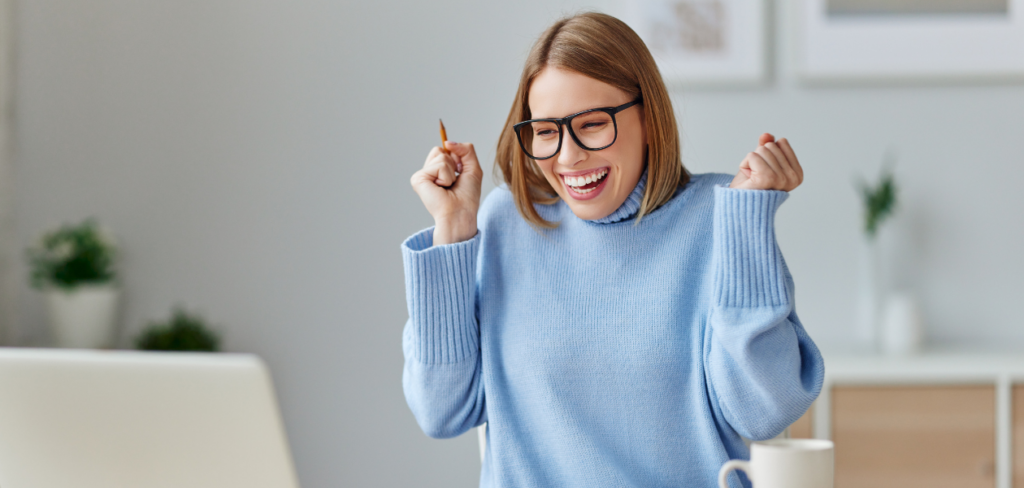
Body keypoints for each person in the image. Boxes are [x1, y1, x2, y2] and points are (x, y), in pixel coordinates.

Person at [401, 11, 823, 488]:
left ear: (648, 117)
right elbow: (442, 411)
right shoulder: (503, 224)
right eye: (545, 131)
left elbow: (762, 411)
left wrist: (747, 227)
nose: (567, 156)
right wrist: (454, 229)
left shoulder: (719, 217)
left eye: (593, 124)